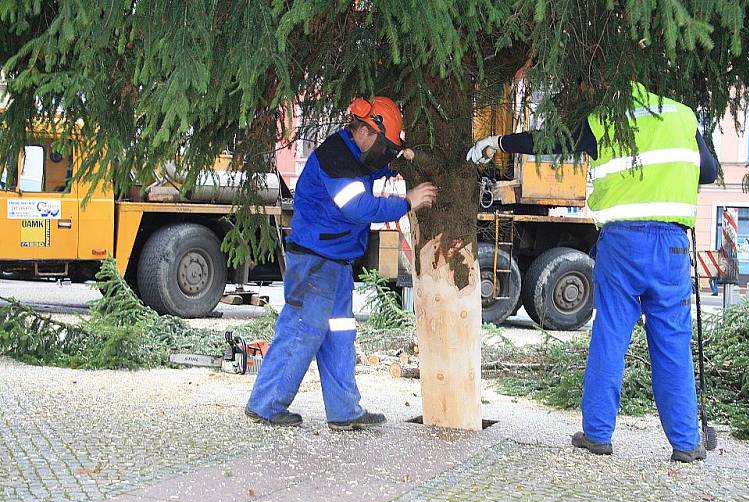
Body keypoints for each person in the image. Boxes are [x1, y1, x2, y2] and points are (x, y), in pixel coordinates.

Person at [467, 82, 718, 462]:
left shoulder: (605, 118)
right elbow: (709, 172)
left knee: (610, 336)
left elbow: (549, 142)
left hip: (621, 243)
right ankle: (685, 443)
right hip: (671, 245)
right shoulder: (683, 116)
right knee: (673, 343)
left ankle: (598, 434)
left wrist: (498, 142)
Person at [246, 96, 437, 430]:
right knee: (302, 331)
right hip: (315, 262)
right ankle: (265, 406)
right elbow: (359, 208)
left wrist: (398, 158)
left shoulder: (353, 152)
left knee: (339, 336)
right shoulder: (335, 158)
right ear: (366, 130)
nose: (383, 152)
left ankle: (344, 412)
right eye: (383, 144)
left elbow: (370, 166)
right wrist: (407, 201)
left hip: (335, 263)